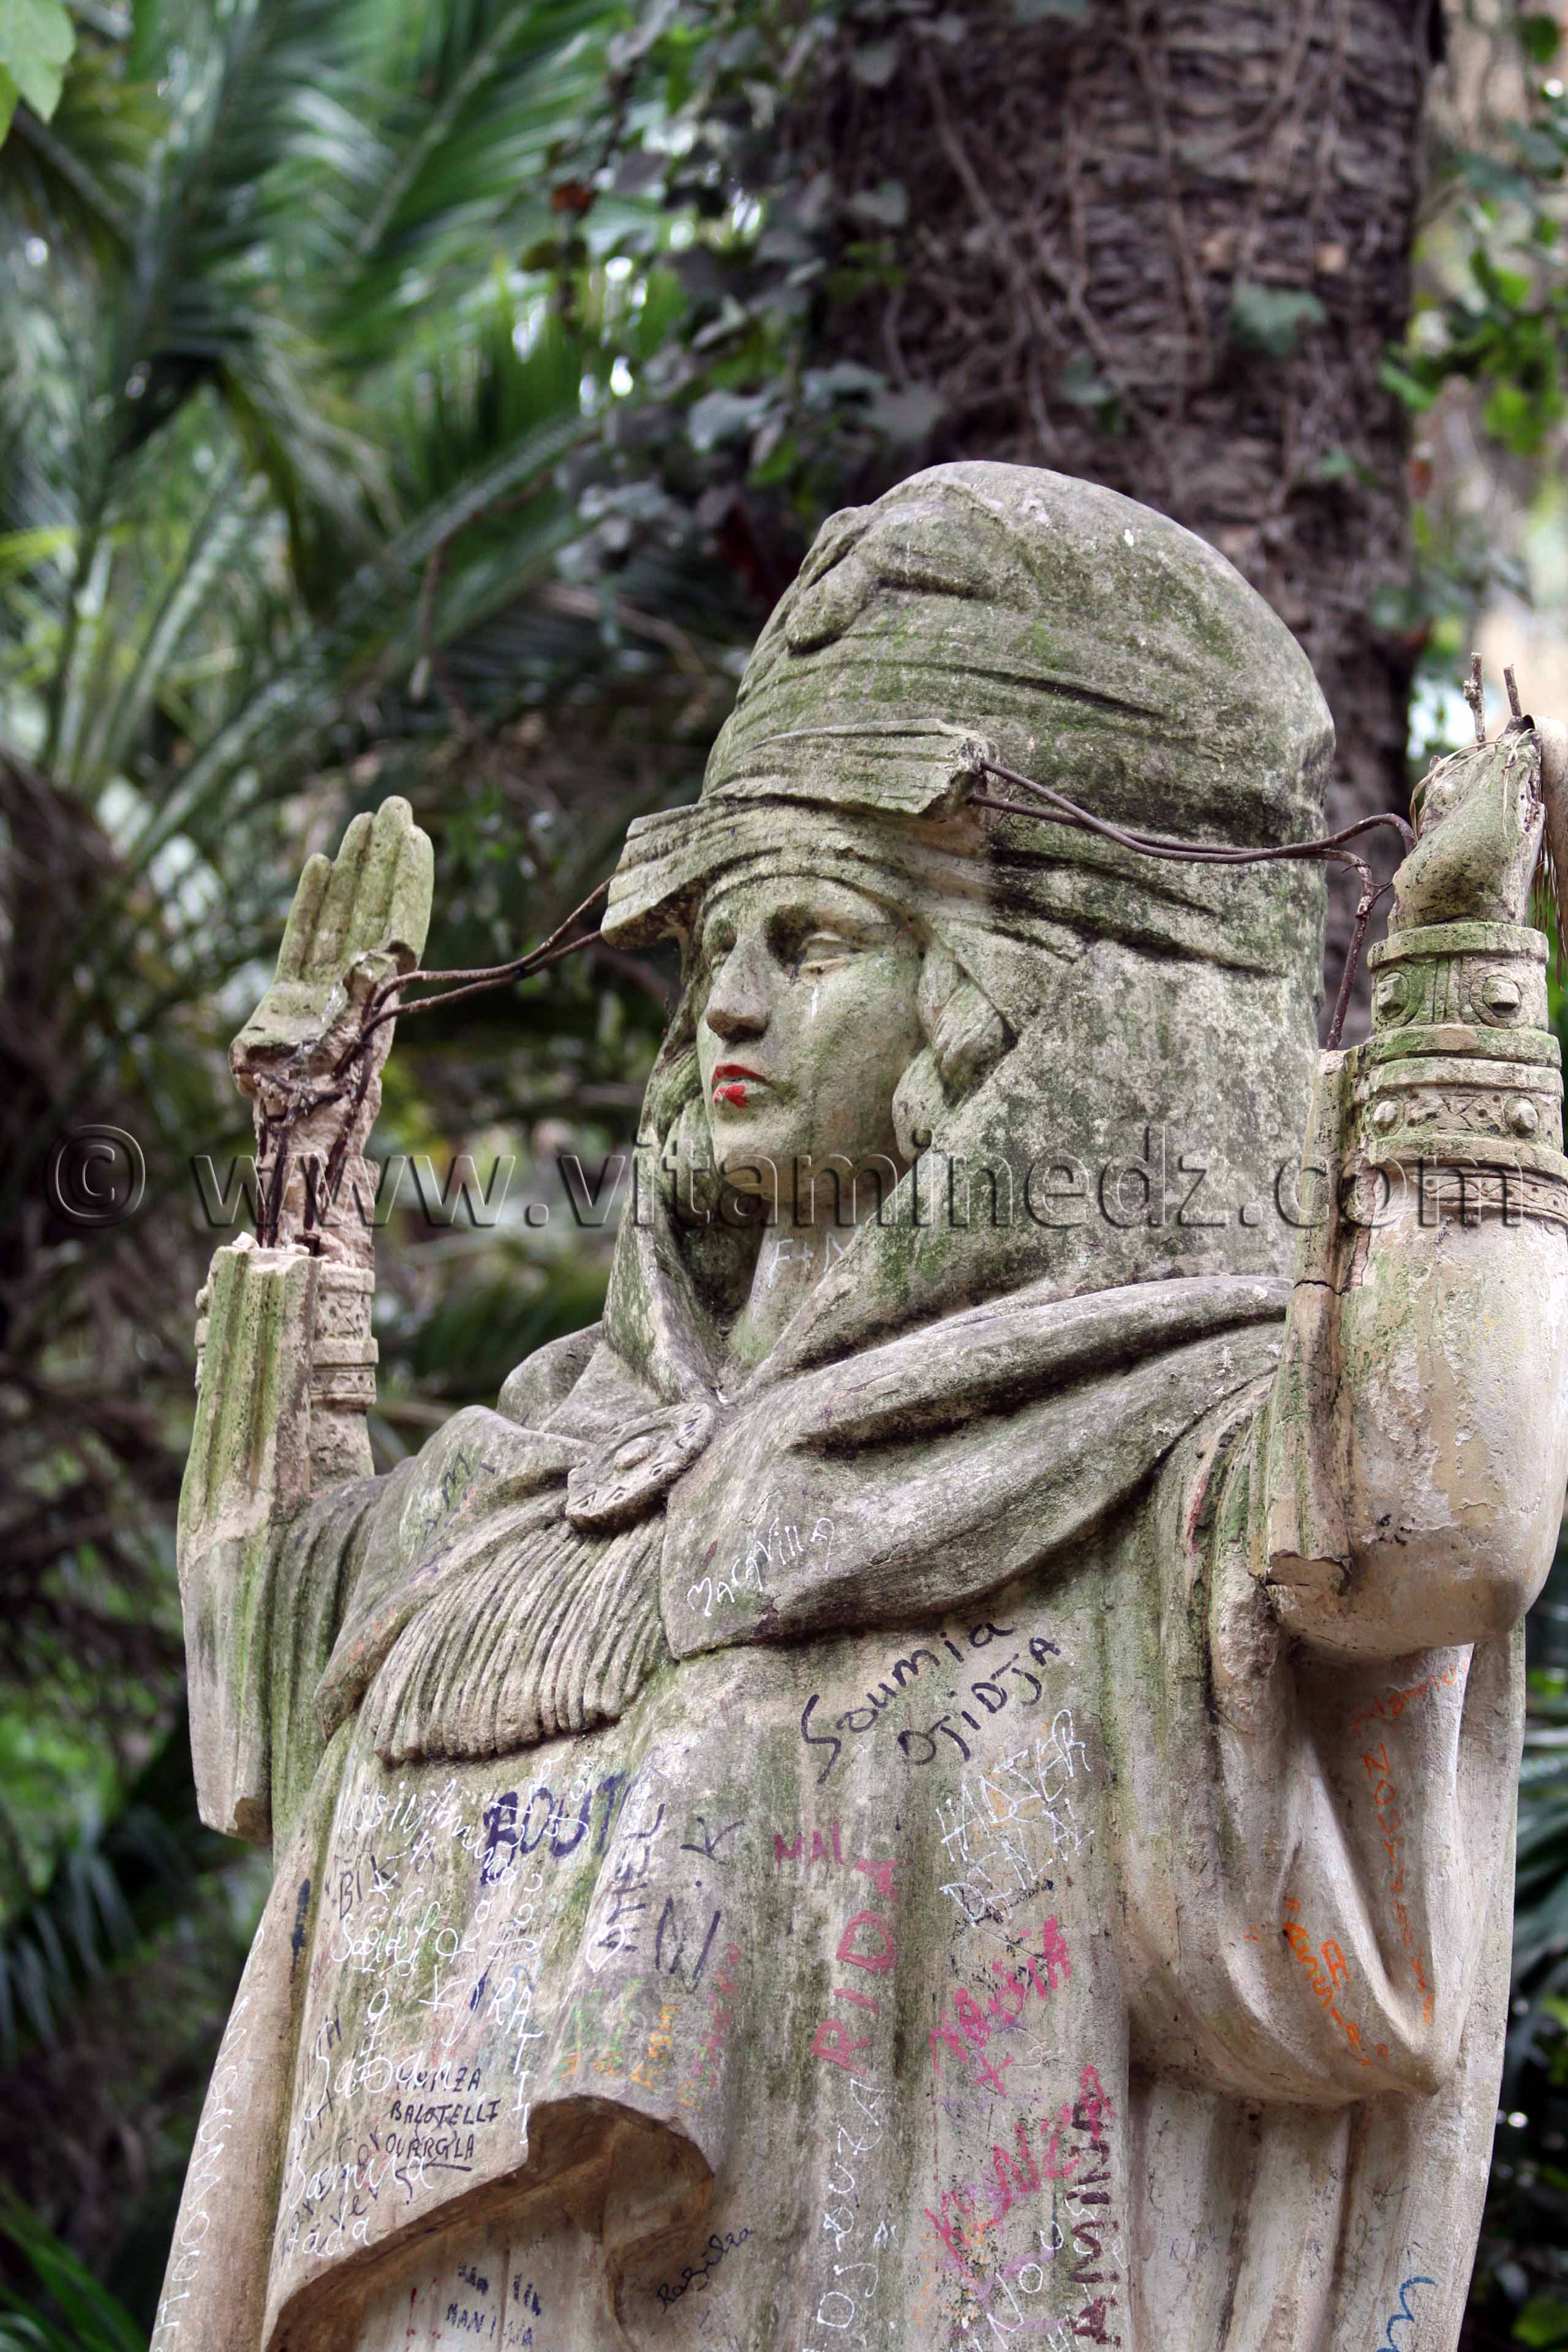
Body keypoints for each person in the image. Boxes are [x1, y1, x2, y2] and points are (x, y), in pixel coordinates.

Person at [154, 464, 1568, 2352]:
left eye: (809, 940)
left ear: (1017, 1011)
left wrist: (1462, 980)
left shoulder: (1162, 1455)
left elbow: (1447, 1524)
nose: (722, 1006)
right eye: (709, 951)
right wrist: (305, 1186)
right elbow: (260, 1686)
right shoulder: (550, 1474)